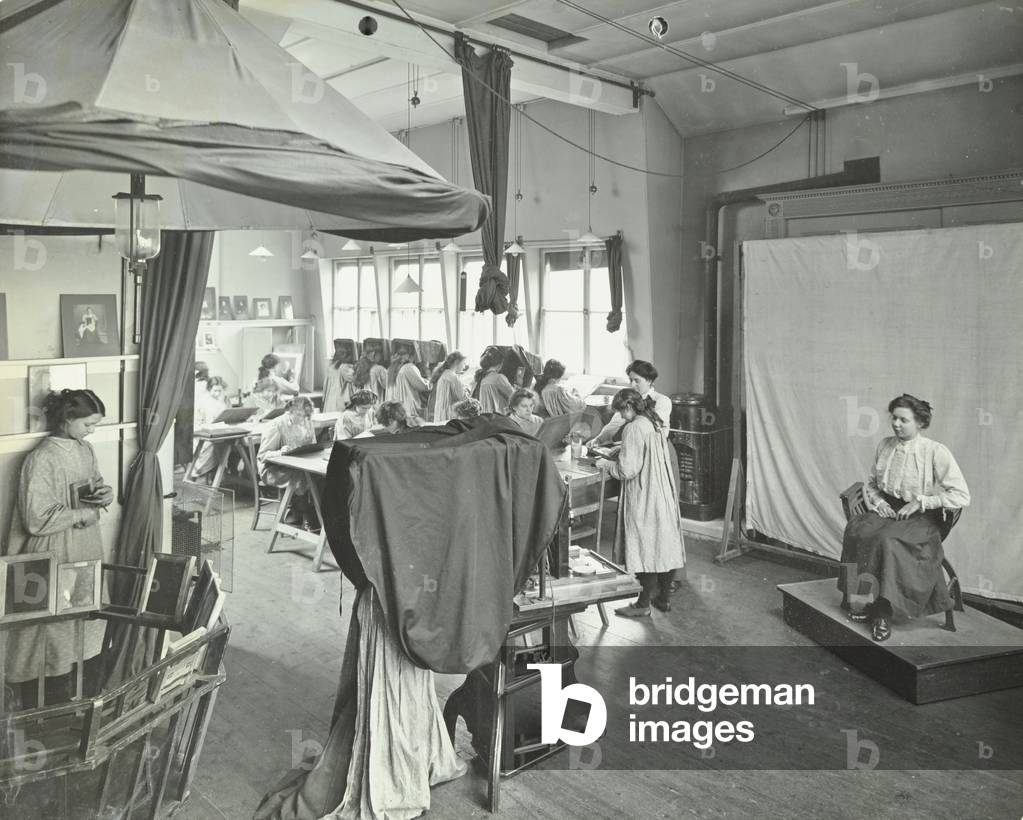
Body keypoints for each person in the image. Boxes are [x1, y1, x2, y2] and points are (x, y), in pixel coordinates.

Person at [5, 389, 113, 707]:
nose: (91, 431)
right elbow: (35, 518)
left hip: (84, 547)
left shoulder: (85, 449)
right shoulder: (41, 458)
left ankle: (80, 697)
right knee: (51, 629)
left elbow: (94, 483)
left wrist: (104, 494)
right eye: (88, 424)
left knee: (82, 621)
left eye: (95, 425)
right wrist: (82, 514)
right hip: (54, 549)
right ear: (67, 419)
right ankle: (48, 703)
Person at [839, 394, 970, 642]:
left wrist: (921, 502)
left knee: (886, 541)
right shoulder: (885, 446)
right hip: (889, 510)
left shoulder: (935, 451)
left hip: (923, 516)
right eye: (894, 419)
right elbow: (872, 484)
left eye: (903, 420)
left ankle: (882, 613)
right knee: (858, 531)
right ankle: (862, 600)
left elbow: (961, 495)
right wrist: (879, 503)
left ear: (920, 422)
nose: (896, 424)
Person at [594, 389, 685, 618]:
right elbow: (647, 450)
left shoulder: (633, 427)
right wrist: (622, 448)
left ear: (628, 407)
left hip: (645, 492)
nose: (621, 417)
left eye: (621, 412)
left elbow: (627, 470)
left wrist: (605, 465)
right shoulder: (653, 420)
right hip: (662, 490)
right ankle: (663, 598)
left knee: (646, 547)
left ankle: (642, 605)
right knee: (663, 544)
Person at [258, 396, 318, 529]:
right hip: (273, 469)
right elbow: (262, 455)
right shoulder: (276, 425)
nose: (303, 419)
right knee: (302, 476)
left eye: (306, 416)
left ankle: (310, 513)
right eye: (299, 415)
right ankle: (306, 514)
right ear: (290, 411)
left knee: (320, 474)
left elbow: (313, 445)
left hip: (299, 464)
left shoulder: (307, 421)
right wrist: (280, 452)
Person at [589, 360, 671, 446]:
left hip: (657, 448)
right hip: (633, 445)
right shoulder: (629, 399)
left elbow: (657, 432)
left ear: (649, 381)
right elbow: (614, 424)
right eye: (631, 380)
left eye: (637, 380)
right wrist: (599, 439)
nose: (632, 384)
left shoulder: (662, 401)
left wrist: (624, 445)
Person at [191, 376, 229, 479]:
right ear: (209, 389)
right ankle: (214, 472)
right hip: (201, 431)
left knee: (230, 443)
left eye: (220, 391)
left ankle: (222, 473)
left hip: (216, 430)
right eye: (215, 390)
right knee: (217, 445)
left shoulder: (220, 401)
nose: (217, 393)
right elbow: (205, 421)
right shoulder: (203, 401)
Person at [384, 345, 431, 424]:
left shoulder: (391, 369)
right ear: (409, 355)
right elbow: (423, 386)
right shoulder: (408, 367)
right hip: (408, 411)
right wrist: (429, 375)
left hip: (395, 411)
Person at [249, 353, 300, 418]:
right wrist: (292, 377)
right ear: (276, 366)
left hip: (256, 416)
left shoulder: (254, 381)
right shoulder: (277, 381)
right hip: (270, 416)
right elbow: (296, 390)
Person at [428, 351, 469, 423]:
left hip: (441, 414)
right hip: (449, 414)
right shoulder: (453, 377)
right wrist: (467, 390)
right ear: (456, 362)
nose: (464, 366)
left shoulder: (444, 374)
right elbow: (463, 398)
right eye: (463, 363)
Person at [472, 347, 514, 414]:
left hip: (482, 418)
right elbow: (515, 398)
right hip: (497, 418)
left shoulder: (476, 379)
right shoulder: (498, 378)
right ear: (500, 364)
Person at [322, 340, 356, 413]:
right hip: (339, 400)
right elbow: (355, 380)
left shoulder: (331, 365)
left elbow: (325, 385)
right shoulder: (345, 367)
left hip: (329, 398)